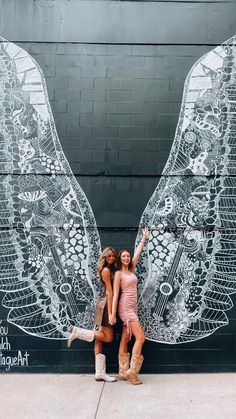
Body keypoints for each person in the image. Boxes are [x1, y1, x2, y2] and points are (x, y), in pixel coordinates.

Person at [67, 247, 117, 382]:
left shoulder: (108, 269)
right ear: (104, 257)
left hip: (102, 302)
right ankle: (78, 332)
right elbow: (110, 292)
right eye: (109, 256)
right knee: (109, 338)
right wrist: (112, 312)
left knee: (100, 339)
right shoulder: (106, 270)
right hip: (106, 303)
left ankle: (99, 373)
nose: (111, 258)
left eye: (113, 256)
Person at [111, 228, 149, 385]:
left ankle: (122, 371)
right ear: (120, 259)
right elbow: (114, 295)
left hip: (133, 307)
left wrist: (144, 238)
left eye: (128, 256)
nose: (126, 258)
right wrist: (113, 314)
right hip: (125, 307)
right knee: (140, 337)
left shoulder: (131, 268)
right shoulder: (119, 274)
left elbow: (138, 253)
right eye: (124, 256)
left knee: (126, 338)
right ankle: (132, 373)